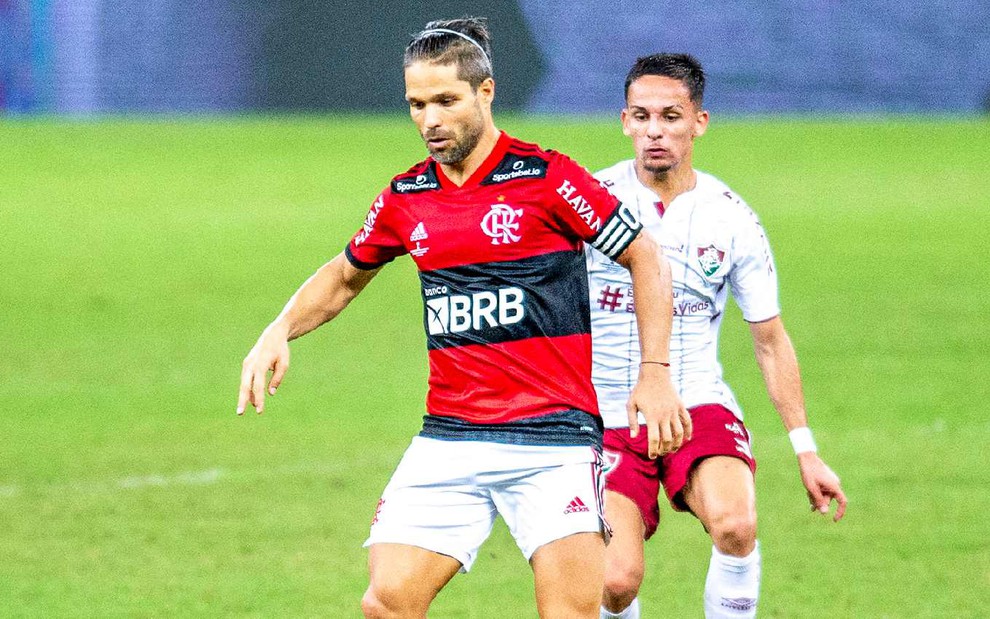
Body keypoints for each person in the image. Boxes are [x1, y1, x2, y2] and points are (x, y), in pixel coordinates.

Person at [237, 19, 691, 619]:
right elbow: (346, 274)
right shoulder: (407, 196)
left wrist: (654, 371)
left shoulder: (545, 178)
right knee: (388, 601)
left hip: (550, 440)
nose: (430, 120)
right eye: (416, 104)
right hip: (451, 434)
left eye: (445, 101)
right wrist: (278, 328)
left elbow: (644, 256)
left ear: (485, 93)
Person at [587, 54, 848, 619]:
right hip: (606, 412)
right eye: (642, 116)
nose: (655, 130)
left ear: (699, 122)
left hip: (696, 401)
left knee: (735, 523)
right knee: (614, 581)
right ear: (625, 121)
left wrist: (807, 451)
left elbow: (771, 339)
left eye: (671, 116)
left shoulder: (732, 218)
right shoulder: (589, 202)